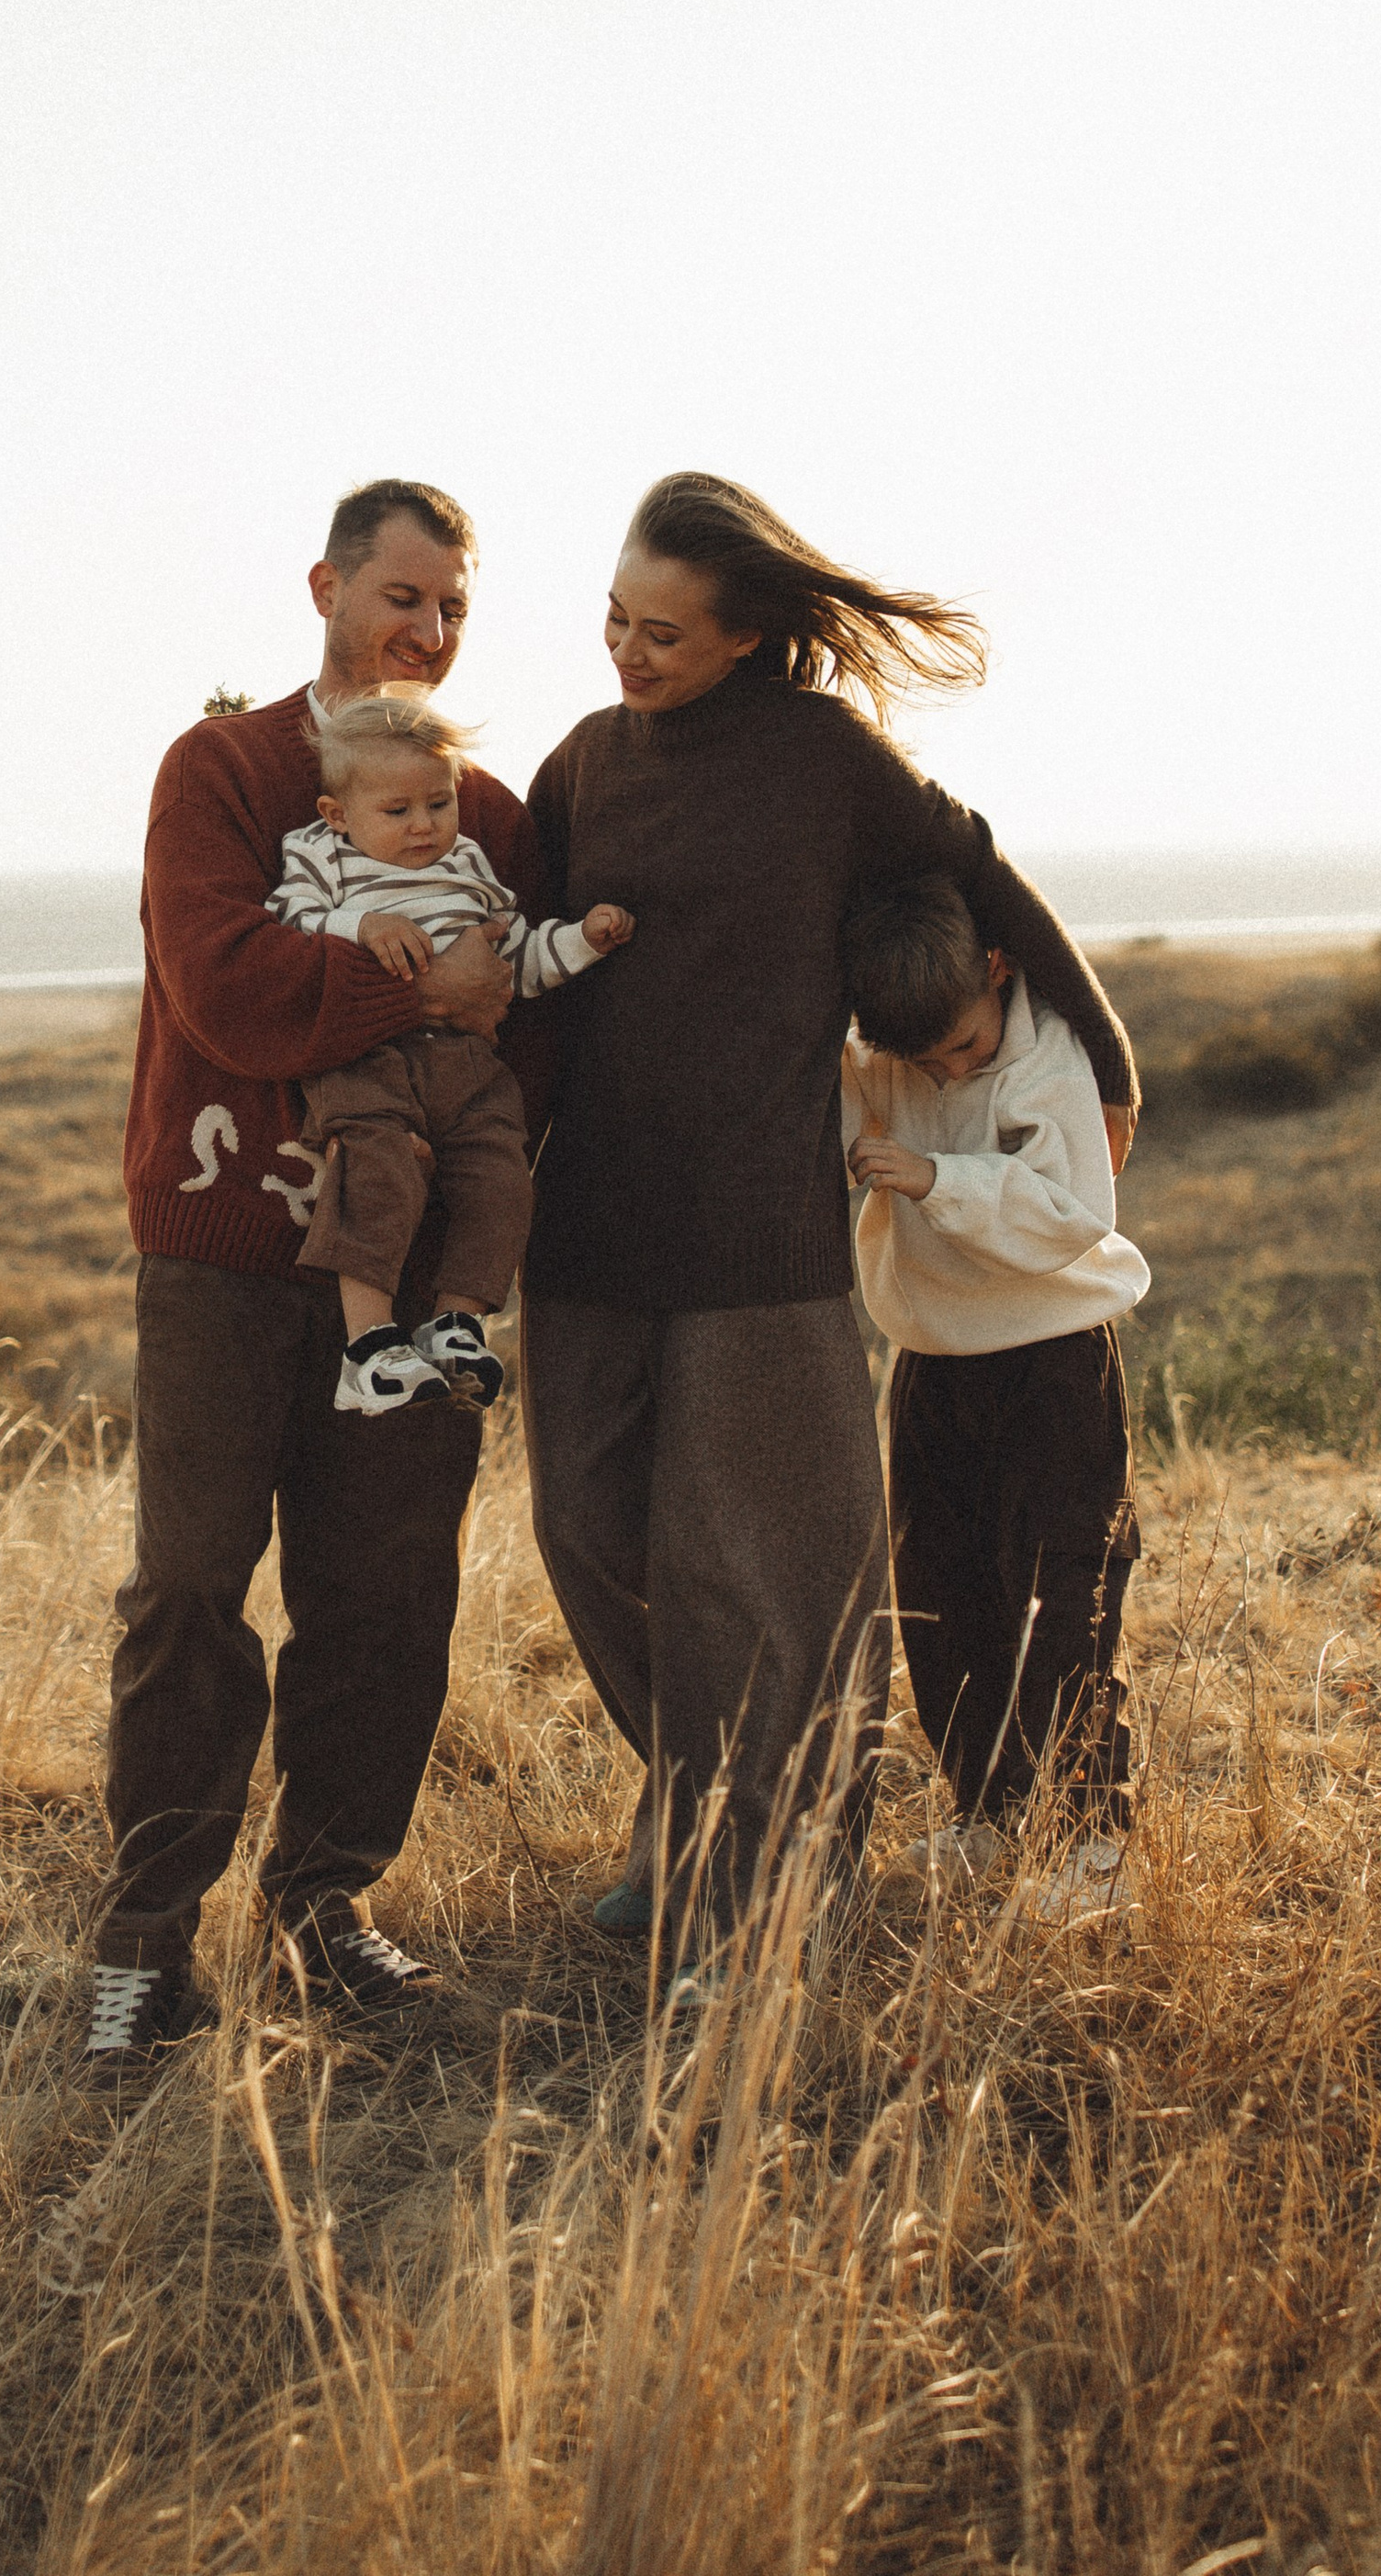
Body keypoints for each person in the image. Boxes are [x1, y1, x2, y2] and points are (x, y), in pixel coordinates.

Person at [519, 471, 1138, 1986]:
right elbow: (513, 960)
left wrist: (1109, 1061)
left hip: (762, 1236)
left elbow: (978, 866)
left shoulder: (819, 759)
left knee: (762, 1575)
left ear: (745, 639)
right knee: (589, 1538)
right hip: (588, 1224)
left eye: (663, 631)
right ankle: (702, 1814)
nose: (627, 649)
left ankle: (770, 1881)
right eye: (614, 614)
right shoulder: (585, 764)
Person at [84, 477, 536, 2084]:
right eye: (401, 595)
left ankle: (323, 1906)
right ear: (327, 587)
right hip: (218, 1252)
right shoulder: (223, 771)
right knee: (192, 1592)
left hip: (406, 1281)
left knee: (385, 1597)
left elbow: (522, 1014)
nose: (425, 628)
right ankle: (144, 1948)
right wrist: (419, 987)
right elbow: (225, 990)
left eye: (451, 607)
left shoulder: (480, 804)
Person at [841, 877, 1149, 1920]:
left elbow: (1071, 1214)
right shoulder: (897, 1041)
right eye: (921, 1062)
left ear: (997, 972)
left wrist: (935, 1178)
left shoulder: (1048, 1053)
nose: (944, 1070)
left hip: (1053, 1354)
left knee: (1065, 1592)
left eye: (962, 1050)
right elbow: (841, 1106)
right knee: (942, 1589)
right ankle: (988, 1811)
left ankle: (1089, 1838)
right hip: (933, 1354)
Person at [269, 686, 632, 1413]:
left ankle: (457, 1321)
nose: (422, 827)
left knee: (501, 1178)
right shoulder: (323, 858)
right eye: (396, 812)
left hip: (465, 1063)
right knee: (378, 1171)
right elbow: (291, 924)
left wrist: (581, 942)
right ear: (338, 814)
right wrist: (362, 926)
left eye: (438, 803)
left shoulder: (468, 864)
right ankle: (368, 1347)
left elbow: (515, 963)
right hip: (367, 1055)